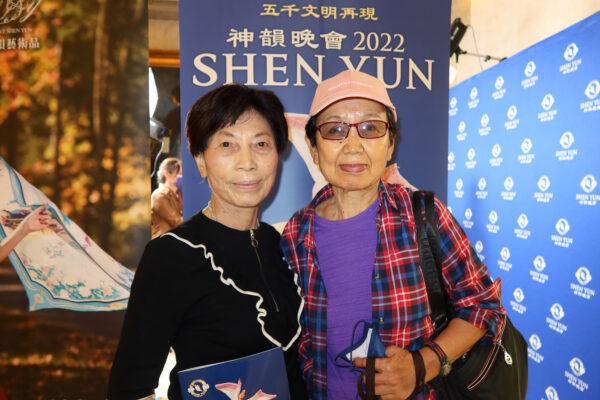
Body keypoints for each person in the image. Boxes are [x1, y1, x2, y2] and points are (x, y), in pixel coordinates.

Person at [281, 70, 505, 399]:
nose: (353, 145)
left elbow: (484, 307)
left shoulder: (424, 216)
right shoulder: (296, 234)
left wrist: (421, 365)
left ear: (390, 146)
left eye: (371, 128)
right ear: (314, 149)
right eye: (334, 129)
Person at [108, 84, 306, 399]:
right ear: (201, 160)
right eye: (227, 144)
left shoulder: (280, 244)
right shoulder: (171, 255)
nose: (247, 162)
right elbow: (130, 387)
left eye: (261, 144)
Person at [151, 157, 183, 239]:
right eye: (178, 173)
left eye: (182, 174)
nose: (181, 177)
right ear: (166, 173)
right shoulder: (159, 196)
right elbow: (177, 221)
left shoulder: (178, 194)